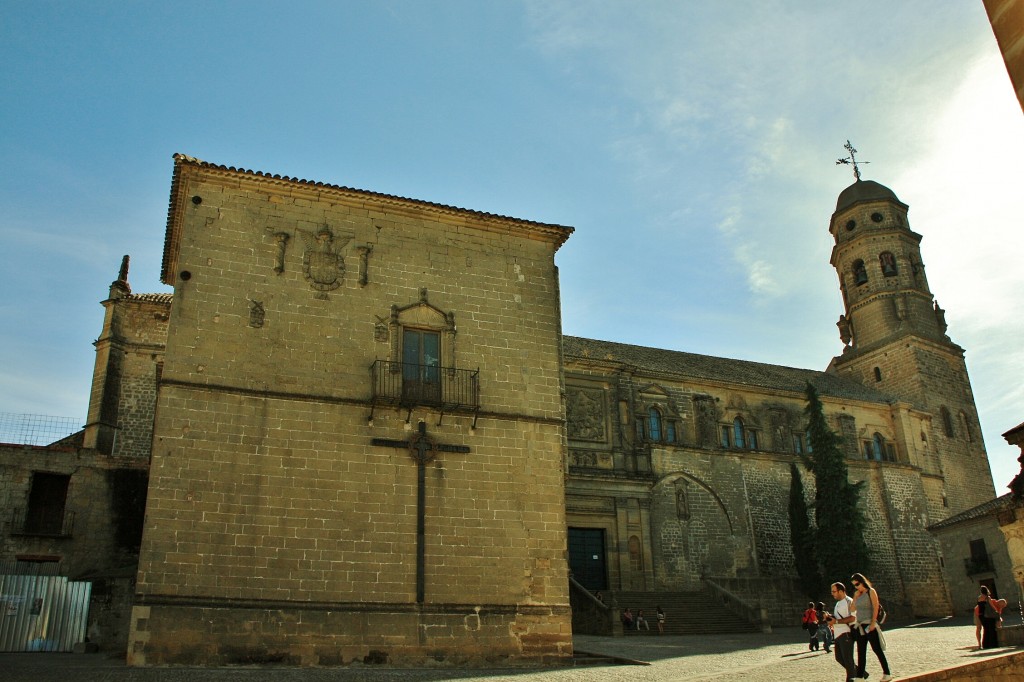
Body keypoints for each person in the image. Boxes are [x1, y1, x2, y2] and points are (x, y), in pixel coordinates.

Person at [851, 573, 892, 682]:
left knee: (877, 649)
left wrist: (873, 623)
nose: (856, 586)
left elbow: (876, 607)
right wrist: (855, 596)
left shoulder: (871, 591)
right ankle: (860, 676)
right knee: (861, 651)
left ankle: (887, 673)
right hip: (859, 625)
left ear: (862, 581)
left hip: (869, 624)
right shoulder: (858, 594)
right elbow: (852, 609)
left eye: (857, 584)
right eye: (854, 585)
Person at [827, 582, 858, 682]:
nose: (832, 593)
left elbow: (852, 618)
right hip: (837, 634)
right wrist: (830, 619)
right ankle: (860, 673)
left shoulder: (849, 601)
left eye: (834, 591)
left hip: (846, 633)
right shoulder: (837, 603)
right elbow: (838, 618)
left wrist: (836, 621)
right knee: (839, 658)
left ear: (841, 591)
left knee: (848, 660)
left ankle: (851, 679)